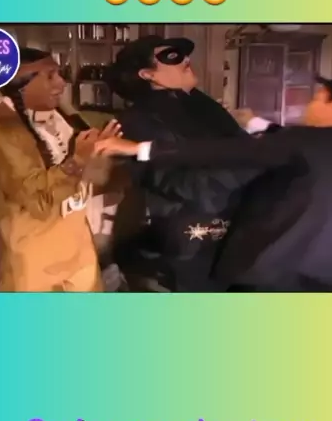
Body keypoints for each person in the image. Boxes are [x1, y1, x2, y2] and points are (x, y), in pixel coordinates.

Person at [97, 71, 332, 293]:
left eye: (317, 98)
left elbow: (225, 151)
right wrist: (254, 123)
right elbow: (294, 143)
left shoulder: (302, 142)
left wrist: (139, 149)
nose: (309, 105)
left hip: (280, 268)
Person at [107, 35, 262, 292]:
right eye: (171, 57)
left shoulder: (203, 106)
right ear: (147, 74)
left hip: (233, 236)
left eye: (183, 53)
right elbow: (179, 180)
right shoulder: (138, 120)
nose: (185, 59)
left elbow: (245, 149)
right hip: (185, 247)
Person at [0, 47, 119, 292]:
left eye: (59, 74)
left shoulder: (58, 116)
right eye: (50, 76)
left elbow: (95, 179)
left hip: (78, 251)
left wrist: (100, 152)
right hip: (34, 261)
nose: (61, 83)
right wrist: (77, 161)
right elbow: (37, 203)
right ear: (21, 84)